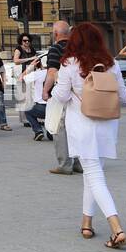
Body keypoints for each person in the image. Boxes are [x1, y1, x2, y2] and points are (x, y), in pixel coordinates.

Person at [50, 21, 126, 249]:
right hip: (106, 125)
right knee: (92, 174)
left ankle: (117, 228)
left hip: (82, 126)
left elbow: (61, 96)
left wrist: (56, 85)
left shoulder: (69, 64)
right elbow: (124, 97)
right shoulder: (110, 64)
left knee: (94, 176)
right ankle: (86, 223)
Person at [43, 21, 80, 174]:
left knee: (59, 127)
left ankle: (64, 164)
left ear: (56, 34)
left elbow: (52, 72)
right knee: (75, 128)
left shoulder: (55, 49)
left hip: (61, 92)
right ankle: (79, 162)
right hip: (77, 94)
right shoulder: (77, 48)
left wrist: (45, 90)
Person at [12, 33, 36, 127]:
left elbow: (35, 60)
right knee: (22, 97)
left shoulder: (32, 49)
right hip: (21, 73)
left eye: (28, 40)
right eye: (24, 40)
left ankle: (33, 117)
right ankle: (25, 119)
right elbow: (16, 60)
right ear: (21, 41)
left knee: (31, 96)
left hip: (31, 73)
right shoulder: (19, 49)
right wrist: (29, 58)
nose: (27, 42)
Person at [23, 55, 50, 140]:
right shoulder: (58, 73)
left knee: (28, 111)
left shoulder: (38, 74)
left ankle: (38, 130)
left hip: (41, 106)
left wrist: (31, 66)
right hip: (55, 106)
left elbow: (21, 79)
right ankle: (51, 132)